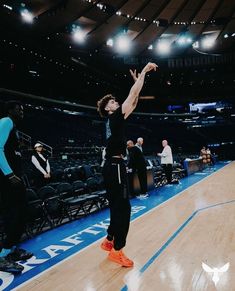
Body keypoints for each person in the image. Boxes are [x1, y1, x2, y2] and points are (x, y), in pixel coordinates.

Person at [97, 62, 157, 267]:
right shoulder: (113, 117)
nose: (116, 103)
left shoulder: (115, 120)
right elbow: (131, 96)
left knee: (116, 206)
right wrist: (144, 73)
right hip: (115, 166)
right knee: (124, 209)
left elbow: (133, 102)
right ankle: (117, 250)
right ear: (108, 108)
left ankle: (109, 240)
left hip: (112, 166)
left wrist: (137, 82)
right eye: (113, 102)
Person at [0, 100, 33, 274]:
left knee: (21, 213)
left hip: (15, 178)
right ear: (10, 110)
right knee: (13, 214)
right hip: (7, 179)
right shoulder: (5, 121)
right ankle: (3, 255)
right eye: (19, 109)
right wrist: (10, 174)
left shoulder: (14, 128)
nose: (22, 112)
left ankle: (11, 250)